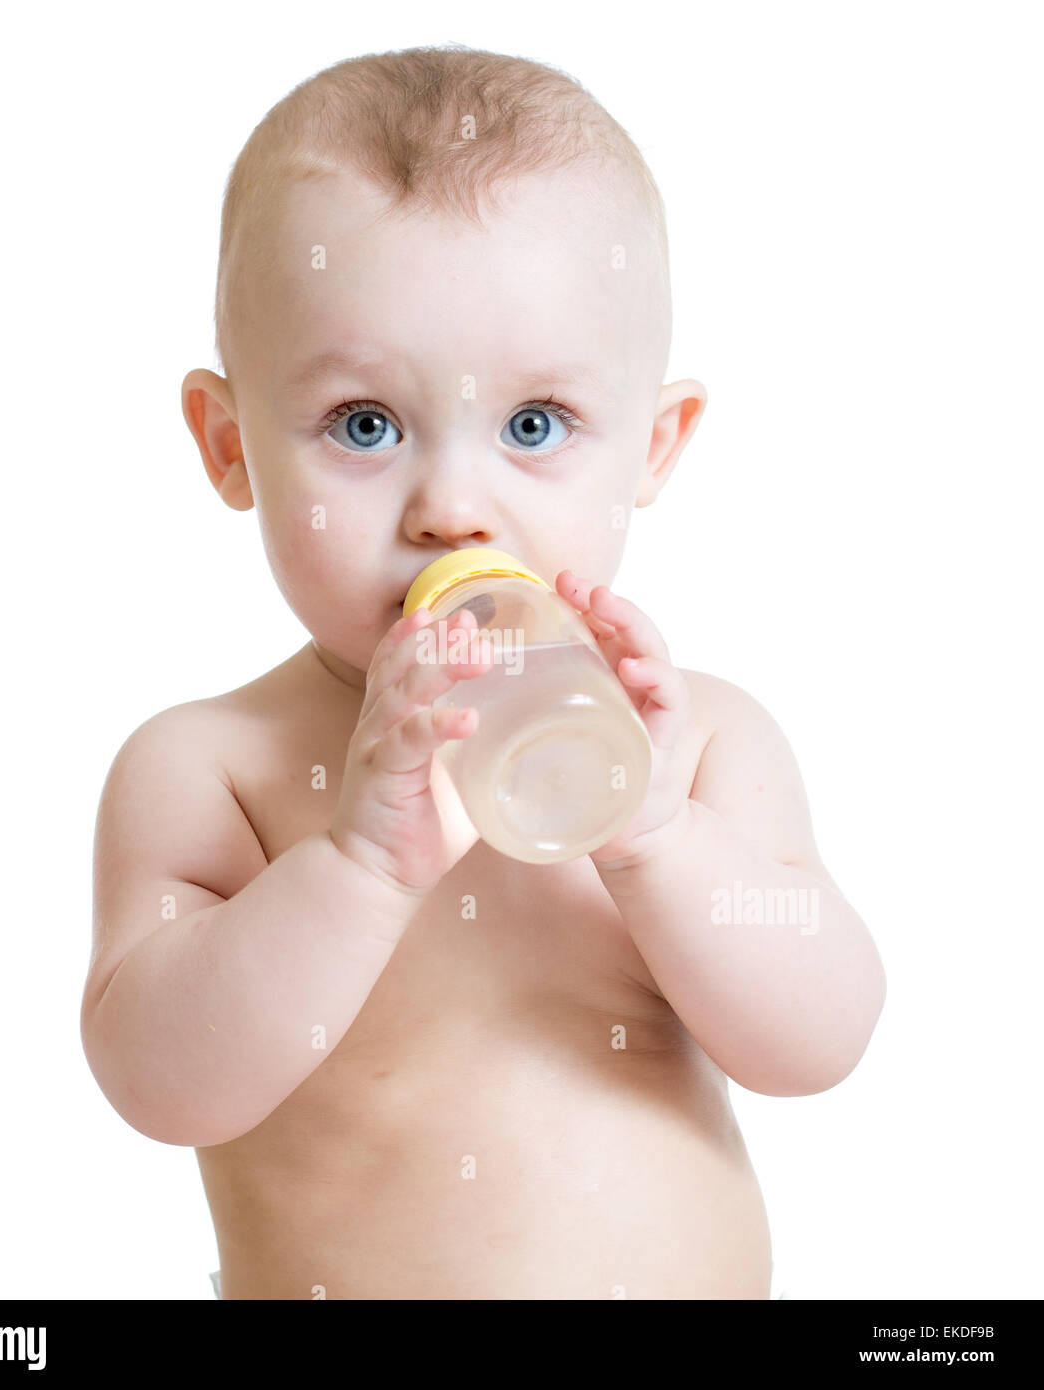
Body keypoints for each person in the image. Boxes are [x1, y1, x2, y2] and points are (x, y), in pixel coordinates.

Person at [81, 44, 885, 1300]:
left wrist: (660, 838)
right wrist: (356, 867)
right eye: (365, 425)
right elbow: (159, 1081)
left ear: (653, 445)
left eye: (533, 425)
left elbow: (820, 1040)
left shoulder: (701, 746)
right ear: (230, 445)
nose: (456, 507)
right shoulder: (211, 772)